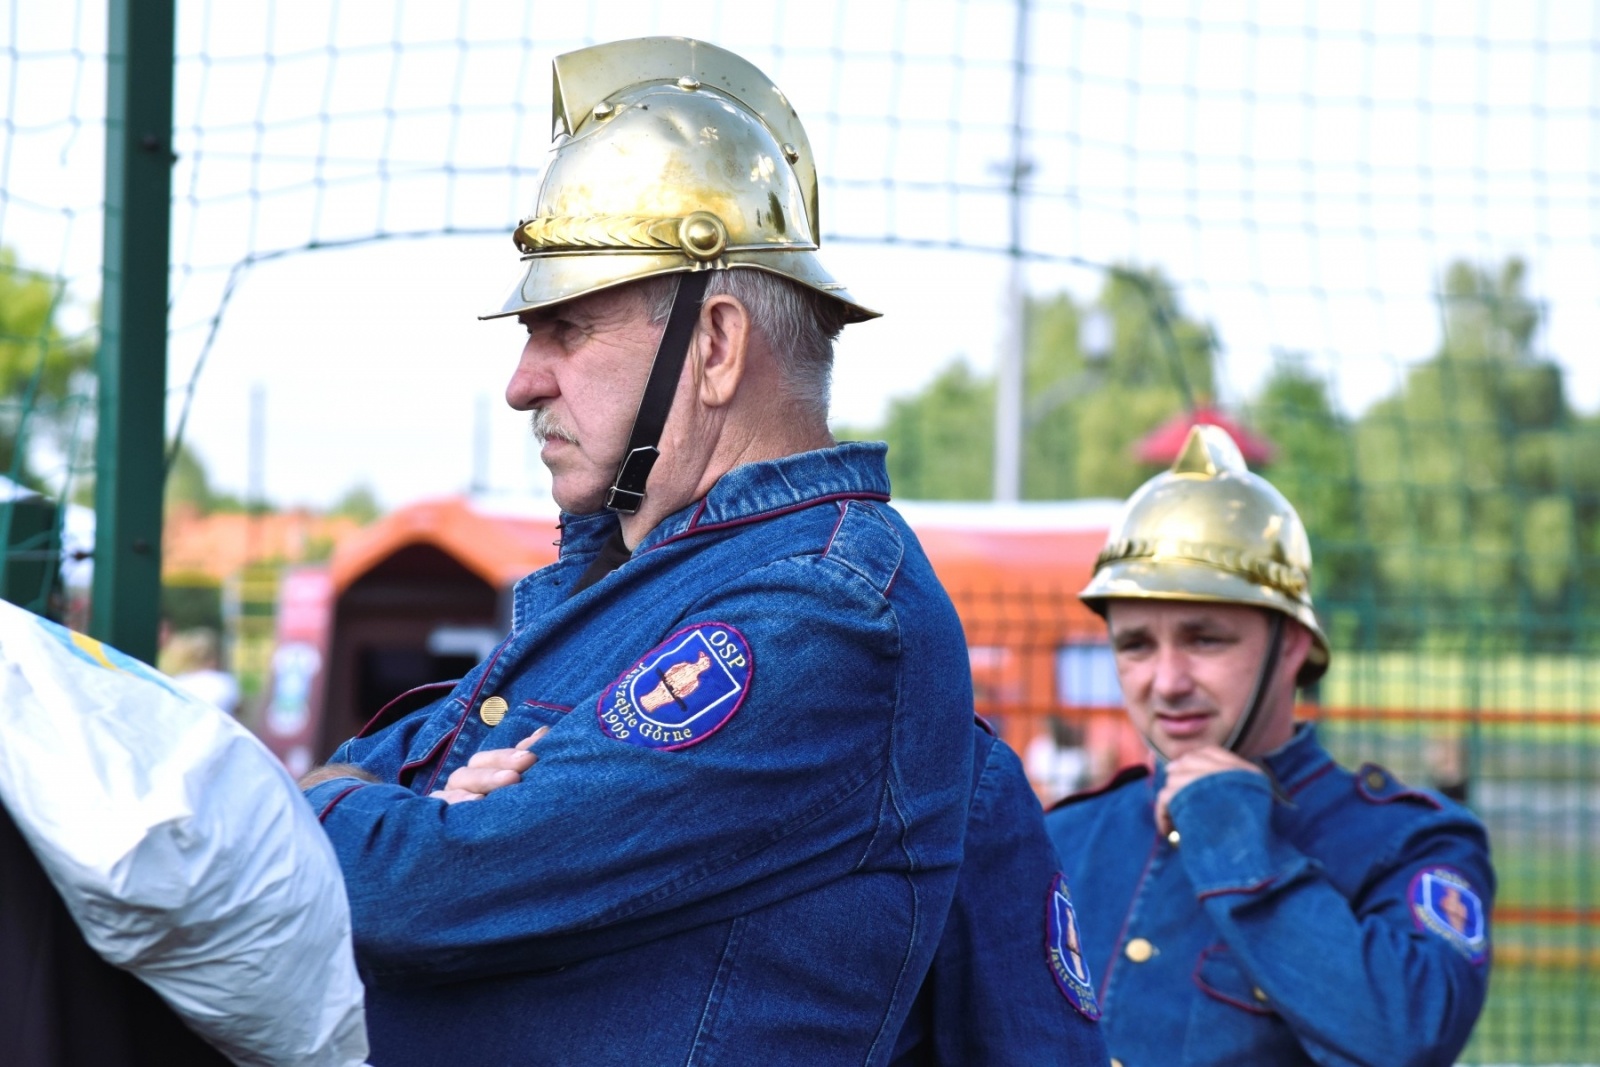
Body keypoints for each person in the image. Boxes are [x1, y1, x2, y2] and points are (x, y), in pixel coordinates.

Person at [298, 37, 1103, 1065]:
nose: (522, 381)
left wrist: (326, 801)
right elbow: (416, 845)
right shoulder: (643, 585)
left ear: (715, 345)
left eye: (567, 328)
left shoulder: (819, 615)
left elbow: (422, 891)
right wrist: (386, 808)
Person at [1045, 426, 1494, 1067]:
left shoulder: (1408, 843)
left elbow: (1405, 1040)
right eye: (1136, 644)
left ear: (1293, 645)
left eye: (1206, 639)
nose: (1166, 682)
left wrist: (1233, 838)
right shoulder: (1069, 836)